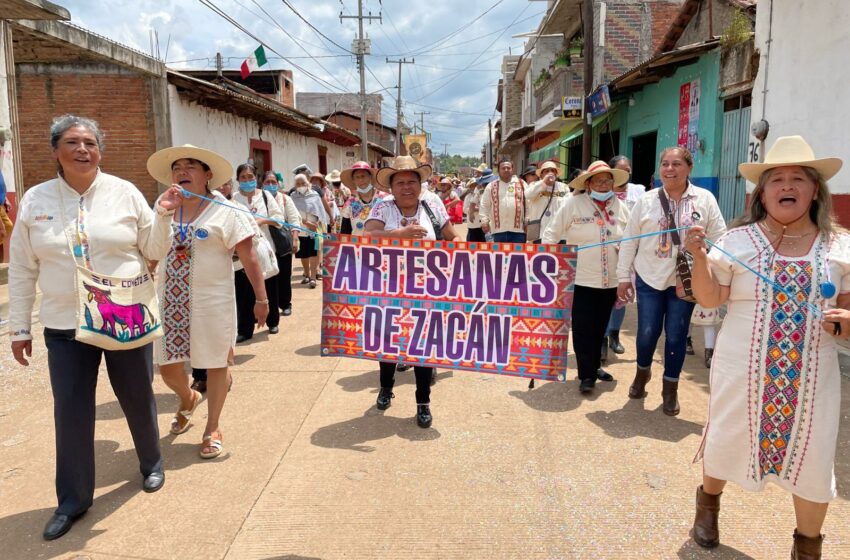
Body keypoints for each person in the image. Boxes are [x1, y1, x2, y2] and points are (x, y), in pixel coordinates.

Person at [9, 115, 182, 540]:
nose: (82, 149)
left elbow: (154, 248)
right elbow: (22, 268)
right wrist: (19, 327)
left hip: (122, 316)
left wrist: (162, 214)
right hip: (64, 325)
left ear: (100, 151)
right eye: (72, 142)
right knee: (70, 411)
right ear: (56, 151)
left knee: (137, 395)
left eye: (90, 142)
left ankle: (151, 462)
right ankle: (72, 500)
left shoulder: (124, 192)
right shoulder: (35, 200)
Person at [685, 136, 848, 559]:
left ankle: (807, 549)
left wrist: (846, 322)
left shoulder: (840, 246)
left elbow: (847, 316)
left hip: (812, 379)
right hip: (741, 369)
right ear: (762, 193)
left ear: (815, 191)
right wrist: (699, 258)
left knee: (814, 459)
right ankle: (708, 504)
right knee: (726, 437)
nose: (786, 185)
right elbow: (710, 299)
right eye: (776, 179)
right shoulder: (737, 241)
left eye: (798, 178)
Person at [147, 144, 268, 462]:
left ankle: (212, 428)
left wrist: (261, 298)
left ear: (207, 174)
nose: (182, 172)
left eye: (190, 166)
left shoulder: (227, 210)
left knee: (216, 363)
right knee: (168, 369)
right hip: (169, 303)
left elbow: (249, 257)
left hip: (213, 302)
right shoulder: (164, 206)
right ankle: (188, 398)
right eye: (177, 168)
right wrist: (162, 214)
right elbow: (152, 250)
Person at [616, 146, 726, 415]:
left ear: (689, 168)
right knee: (647, 332)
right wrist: (623, 277)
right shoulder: (646, 201)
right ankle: (642, 373)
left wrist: (707, 259)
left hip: (686, 280)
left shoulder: (705, 199)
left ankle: (670, 388)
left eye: (676, 164)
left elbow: (721, 239)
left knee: (676, 335)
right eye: (665, 164)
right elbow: (629, 241)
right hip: (649, 277)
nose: (669, 169)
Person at [365, 155, 461, 428]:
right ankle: (386, 387)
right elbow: (368, 237)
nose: (406, 187)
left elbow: (453, 236)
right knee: (387, 342)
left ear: (420, 185)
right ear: (391, 187)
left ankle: (423, 402)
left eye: (412, 182)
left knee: (424, 345)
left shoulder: (433, 205)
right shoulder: (382, 208)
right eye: (400, 182)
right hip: (388, 288)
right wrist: (398, 235)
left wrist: (459, 249)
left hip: (427, 289)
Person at [543, 161, 630, 393]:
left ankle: (594, 367)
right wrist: (551, 264)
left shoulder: (621, 207)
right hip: (580, 279)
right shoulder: (573, 204)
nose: (603, 185)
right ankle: (586, 375)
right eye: (598, 181)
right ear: (588, 184)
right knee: (583, 328)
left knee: (600, 326)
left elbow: (632, 238)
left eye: (608, 180)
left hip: (610, 281)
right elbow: (550, 235)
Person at [231, 163, 284, 340]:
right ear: (238, 180)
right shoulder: (233, 199)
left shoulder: (266, 196)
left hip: (264, 249)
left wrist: (261, 221)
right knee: (244, 291)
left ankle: (273, 322)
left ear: (256, 178)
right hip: (242, 252)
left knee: (269, 286)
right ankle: (245, 330)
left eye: (250, 177)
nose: (247, 180)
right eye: (243, 177)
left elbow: (279, 219)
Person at [602, 156, 647, 360]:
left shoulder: (639, 192)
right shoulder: (602, 191)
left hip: (629, 254)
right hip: (604, 252)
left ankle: (614, 335)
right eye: (621, 170)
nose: (625, 174)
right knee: (604, 296)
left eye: (628, 170)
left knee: (621, 296)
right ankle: (602, 339)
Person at [262, 170, 300, 316]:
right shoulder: (258, 198)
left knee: (284, 275)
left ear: (278, 184)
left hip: (282, 244)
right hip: (264, 245)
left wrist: (295, 239)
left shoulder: (284, 199)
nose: (270, 185)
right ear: (262, 184)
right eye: (267, 182)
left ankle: (285, 304)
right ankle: (268, 308)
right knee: (267, 277)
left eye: (273, 182)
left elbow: (294, 220)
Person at [290, 173, 327, 288]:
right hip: (299, 229)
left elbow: (320, 211)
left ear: (307, 184)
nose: (301, 185)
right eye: (298, 184)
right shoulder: (292, 197)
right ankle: (306, 274)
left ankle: (313, 277)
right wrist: (303, 223)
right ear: (295, 185)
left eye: (303, 183)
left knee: (313, 252)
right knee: (303, 254)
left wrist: (317, 224)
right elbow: (291, 213)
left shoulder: (314, 195)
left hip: (313, 229)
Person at [479, 160, 527, 243]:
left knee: (518, 252)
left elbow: (529, 203)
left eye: (508, 168)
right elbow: (484, 205)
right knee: (498, 252)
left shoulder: (522, 184)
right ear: (498, 170)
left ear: (512, 169)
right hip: (497, 232)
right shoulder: (491, 186)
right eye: (503, 168)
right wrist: (484, 221)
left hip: (518, 231)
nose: (506, 170)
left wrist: (527, 220)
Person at [524, 160, 571, 243]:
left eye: (553, 170)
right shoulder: (534, 185)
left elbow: (568, 206)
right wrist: (543, 182)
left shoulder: (564, 187)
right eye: (547, 171)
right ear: (541, 174)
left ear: (556, 174)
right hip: (540, 233)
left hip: (559, 234)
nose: (550, 173)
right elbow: (527, 195)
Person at [340, 161, 386, 236]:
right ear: (353, 180)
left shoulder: (384, 200)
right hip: (357, 243)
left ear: (370, 177)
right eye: (357, 177)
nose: (361, 180)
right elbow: (345, 232)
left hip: (381, 243)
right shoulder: (349, 204)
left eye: (363, 176)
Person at [460, 168, 493, 242]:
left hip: (486, 223)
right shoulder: (470, 196)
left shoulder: (488, 191)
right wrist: (472, 211)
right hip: (473, 224)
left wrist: (477, 209)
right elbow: (465, 209)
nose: (475, 186)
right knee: (473, 244)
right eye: (473, 185)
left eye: (476, 184)